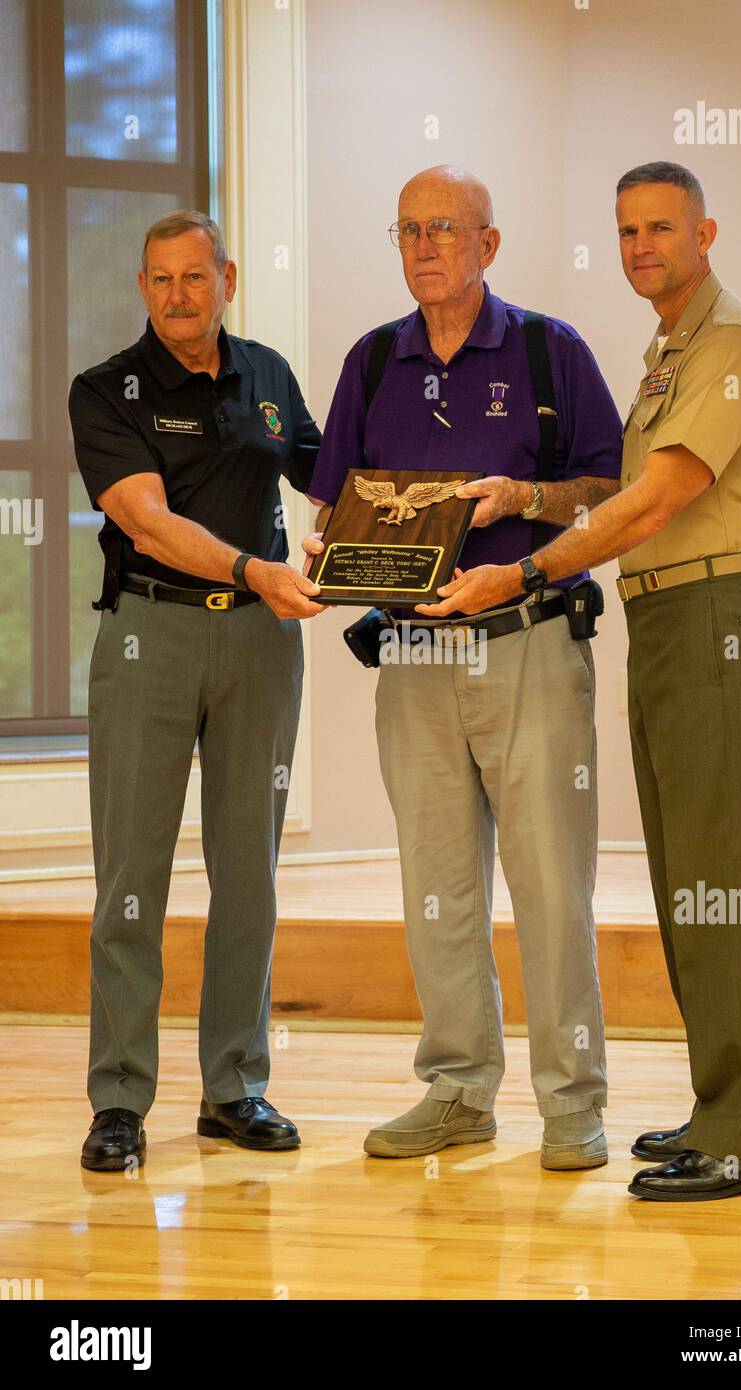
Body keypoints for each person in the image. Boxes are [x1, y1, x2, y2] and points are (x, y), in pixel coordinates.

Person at [425, 162, 741, 1202]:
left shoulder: (732, 346)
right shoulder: (664, 356)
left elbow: (659, 500)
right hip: (666, 619)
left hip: (711, 611)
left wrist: (527, 564)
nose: (640, 247)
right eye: (626, 230)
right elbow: (617, 492)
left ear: (703, 233)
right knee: (691, 876)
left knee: (729, 878)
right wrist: (530, 495)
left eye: (659, 229)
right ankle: (722, 1107)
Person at [304, 165, 622, 1169]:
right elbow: (334, 504)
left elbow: (607, 496)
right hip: (410, 654)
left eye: (444, 228)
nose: (424, 246)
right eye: (406, 230)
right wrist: (334, 551)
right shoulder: (370, 359)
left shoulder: (545, 350)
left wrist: (520, 496)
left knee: (549, 888)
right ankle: (454, 1091)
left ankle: (571, 1105)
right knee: (436, 886)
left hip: (525, 644)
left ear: (488, 244)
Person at [69, 210, 325, 1171]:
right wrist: (255, 569)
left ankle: (235, 1086)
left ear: (227, 277)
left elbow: (325, 475)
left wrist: (367, 535)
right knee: (130, 876)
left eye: (195, 276)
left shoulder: (267, 374)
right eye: (160, 280)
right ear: (144, 289)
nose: (180, 295)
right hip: (153, 635)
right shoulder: (105, 390)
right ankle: (121, 1099)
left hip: (261, 644)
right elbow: (146, 519)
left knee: (248, 867)